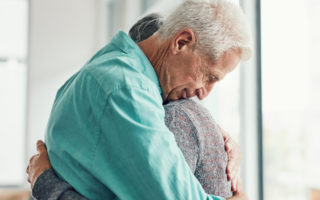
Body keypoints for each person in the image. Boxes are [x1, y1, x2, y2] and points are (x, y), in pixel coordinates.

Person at [27, 0, 252, 199]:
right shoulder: (125, 89)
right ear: (181, 42)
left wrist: (213, 133)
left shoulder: (113, 71)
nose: (204, 93)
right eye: (209, 77)